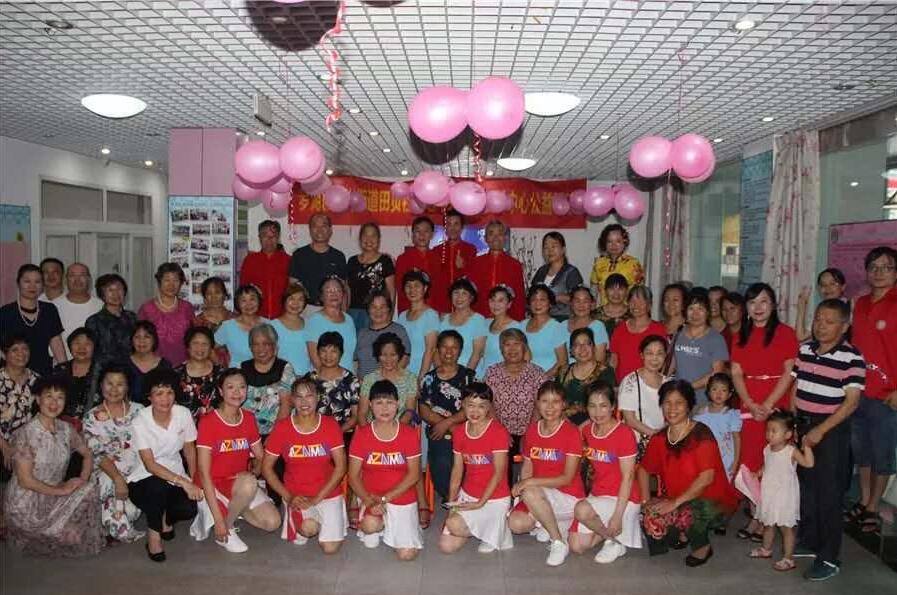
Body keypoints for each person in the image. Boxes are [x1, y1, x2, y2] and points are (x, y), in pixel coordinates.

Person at [792, 298, 864, 580]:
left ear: (844, 327)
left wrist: (821, 430)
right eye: (818, 319)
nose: (821, 326)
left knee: (829, 494)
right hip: (803, 425)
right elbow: (796, 385)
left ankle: (829, 558)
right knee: (807, 489)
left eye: (829, 321)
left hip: (831, 430)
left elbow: (851, 403)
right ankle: (810, 540)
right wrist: (793, 422)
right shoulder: (805, 349)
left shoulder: (852, 357)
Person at [637, 380, 739, 566]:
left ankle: (702, 547)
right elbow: (643, 469)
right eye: (667, 402)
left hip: (712, 498)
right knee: (651, 515)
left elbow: (706, 478)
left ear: (689, 406)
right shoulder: (660, 437)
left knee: (687, 514)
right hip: (678, 497)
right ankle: (680, 534)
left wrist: (674, 503)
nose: (672, 408)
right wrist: (645, 502)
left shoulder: (701, 434)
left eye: (679, 403)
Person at [3, 375, 104, 557]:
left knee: (90, 487)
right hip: (26, 503)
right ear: (37, 399)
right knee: (66, 537)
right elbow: (25, 481)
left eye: (60, 397)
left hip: (55, 493)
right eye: (48, 396)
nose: (54, 403)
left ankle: (57, 529)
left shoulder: (66, 428)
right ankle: (42, 531)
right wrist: (61, 490)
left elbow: (87, 454)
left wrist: (81, 480)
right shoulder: (25, 434)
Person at [192, 368, 280, 553]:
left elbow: (261, 457)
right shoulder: (208, 422)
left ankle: (234, 509)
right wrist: (219, 520)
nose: (237, 392)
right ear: (221, 391)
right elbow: (204, 474)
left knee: (272, 522)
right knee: (248, 482)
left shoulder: (248, 418)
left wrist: (262, 478)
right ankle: (225, 526)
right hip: (213, 484)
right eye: (230, 387)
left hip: (238, 483)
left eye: (242, 387)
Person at [262, 376, 348, 554]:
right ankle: (308, 521)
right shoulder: (282, 427)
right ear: (292, 400)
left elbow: (341, 467)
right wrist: (288, 496)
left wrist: (317, 499)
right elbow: (266, 468)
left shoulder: (330, 425)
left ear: (318, 397)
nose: (304, 402)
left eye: (309, 396)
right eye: (299, 397)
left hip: (327, 493)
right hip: (297, 495)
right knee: (308, 529)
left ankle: (327, 518)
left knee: (330, 549)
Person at [127, 368, 202, 562]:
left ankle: (164, 518)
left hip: (175, 471)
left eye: (169, 392)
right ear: (149, 396)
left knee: (190, 508)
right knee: (157, 487)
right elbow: (150, 465)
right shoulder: (140, 421)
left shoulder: (183, 413)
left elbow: (189, 449)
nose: (165, 399)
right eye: (158, 393)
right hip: (143, 478)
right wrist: (183, 483)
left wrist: (194, 479)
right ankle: (153, 536)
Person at [508, 381, 586, 566]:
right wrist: (523, 489)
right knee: (516, 524)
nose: (550, 407)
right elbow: (528, 465)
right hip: (540, 493)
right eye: (544, 401)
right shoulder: (532, 430)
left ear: (564, 404)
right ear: (537, 403)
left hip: (568, 496)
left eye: (556, 402)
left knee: (530, 491)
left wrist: (527, 484)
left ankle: (558, 541)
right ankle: (549, 521)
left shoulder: (571, 433)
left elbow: (567, 478)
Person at [848, 246, 897, 535]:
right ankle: (864, 499)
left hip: (886, 396)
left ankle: (874, 507)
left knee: (881, 453)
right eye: (873, 267)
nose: (879, 273)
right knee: (861, 451)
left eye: (886, 267)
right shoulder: (861, 304)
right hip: (858, 392)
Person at [569, 381, 643, 563]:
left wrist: (617, 517)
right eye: (592, 406)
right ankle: (611, 537)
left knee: (581, 509)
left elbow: (628, 478)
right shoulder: (587, 430)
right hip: (599, 495)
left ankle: (614, 538)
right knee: (577, 546)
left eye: (603, 406)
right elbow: (569, 438)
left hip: (623, 498)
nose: (598, 412)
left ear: (613, 406)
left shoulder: (624, 433)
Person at [348, 379, 423, 559]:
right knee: (369, 527)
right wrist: (369, 501)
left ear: (397, 404)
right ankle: (380, 525)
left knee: (407, 555)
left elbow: (414, 474)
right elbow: (353, 476)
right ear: (370, 405)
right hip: (371, 497)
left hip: (401, 496)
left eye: (389, 402)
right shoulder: (362, 435)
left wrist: (385, 498)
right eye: (379, 403)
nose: (384, 408)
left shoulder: (408, 434)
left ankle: (405, 525)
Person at [730, 283, 799, 477]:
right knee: (749, 456)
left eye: (764, 301)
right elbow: (736, 373)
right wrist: (750, 403)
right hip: (749, 400)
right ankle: (751, 497)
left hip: (778, 399)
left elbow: (789, 372)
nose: (758, 307)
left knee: (776, 456)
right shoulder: (739, 336)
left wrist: (768, 404)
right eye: (752, 302)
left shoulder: (786, 333)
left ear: (773, 305)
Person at [438, 383, 514, 554]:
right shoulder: (459, 432)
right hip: (468, 495)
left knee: (455, 525)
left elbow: (498, 473)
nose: (475, 411)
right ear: (462, 404)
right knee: (446, 545)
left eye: (482, 406)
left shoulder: (498, 432)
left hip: (494, 498)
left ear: (489, 408)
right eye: (470, 405)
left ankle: (499, 530)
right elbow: (457, 471)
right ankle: (490, 529)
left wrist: (481, 503)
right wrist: (452, 505)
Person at [83, 364, 145, 543]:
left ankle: (114, 517)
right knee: (107, 480)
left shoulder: (140, 410)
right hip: (107, 469)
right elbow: (97, 454)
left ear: (127, 387)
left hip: (138, 467)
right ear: (101, 385)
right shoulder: (91, 417)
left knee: (130, 511)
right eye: (109, 383)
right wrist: (118, 478)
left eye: (120, 384)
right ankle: (120, 529)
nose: (114, 389)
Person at [750, 410, 815, 572]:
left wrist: (807, 446)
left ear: (787, 434)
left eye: (774, 431)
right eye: (768, 430)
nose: (769, 434)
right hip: (769, 493)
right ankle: (766, 549)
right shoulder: (767, 449)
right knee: (768, 523)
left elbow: (808, 463)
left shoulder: (791, 451)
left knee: (787, 527)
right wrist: (758, 473)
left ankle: (788, 558)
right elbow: (767, 465)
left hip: (785, 495)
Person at [419, 330, 476, 499]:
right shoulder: (429, 378)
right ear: (437, 349)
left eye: (454, 347)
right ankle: (451, 497)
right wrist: (446, 426)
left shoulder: (468, 377)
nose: (449, 351)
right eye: (444, 347)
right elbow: (424, 410)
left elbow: (473, 407)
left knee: (471, 466)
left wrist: (447, 423)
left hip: (466, 432)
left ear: (460, 351)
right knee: (442, 464)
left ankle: (466, 496)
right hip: (439, 433)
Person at [483, 328, 545, 474]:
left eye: (516, 344)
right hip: (498, 430)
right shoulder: (492, 372)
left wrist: (528, 434)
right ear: (501, 349)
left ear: (524, 347)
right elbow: (487, 404)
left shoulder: (537, 373)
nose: (512, 349)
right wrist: (501, 432)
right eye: (507, 344)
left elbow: (540, 406)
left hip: (531, 430)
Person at [0, 264, 65, 375]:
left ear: (42, 285)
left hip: (43, 373)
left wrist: (65, 370)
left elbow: (56, 344)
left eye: (37, 282)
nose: (32, 286)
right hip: (13, 373)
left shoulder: (49, 310)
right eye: (27, 281)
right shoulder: (5, 312)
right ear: (18, 283)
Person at [670, 291, 729, 407]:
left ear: (707, 312)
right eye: (691, 308)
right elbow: (671, 364)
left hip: (704, 402)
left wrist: (688, 388)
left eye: (700, 309)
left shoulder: (716, 338)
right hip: (678, 400)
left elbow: (716, 373)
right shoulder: (678, 333)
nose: (695, 314)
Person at [619, 335, 670, 458]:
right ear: (642, 355)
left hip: (662, 443)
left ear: (665, 356)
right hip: (635, 445)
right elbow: (629, 419)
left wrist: (661, 436)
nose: (655, 358)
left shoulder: (668, 383)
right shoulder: (630, 381)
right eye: (649, 353)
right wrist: (654, 435)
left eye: (659, 353)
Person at [241, 323, 294, 438]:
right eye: (256, 344)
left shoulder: (285, 368)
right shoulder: (243, 368)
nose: (261, 349)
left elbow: (286, 405)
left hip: (276, 432)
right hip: (245, 432)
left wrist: (274, 437)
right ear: (250, 347)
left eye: (266, 344)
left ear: (274, 346)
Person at [289, 214, 347, 316]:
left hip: (333, 309)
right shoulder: (299, 255)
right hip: (306, 309)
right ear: (310, 230)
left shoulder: (338, 256)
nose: (319, 230)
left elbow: (343, 288)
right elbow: (293, 284)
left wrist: (343, 313)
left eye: (324, 226)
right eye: (315, 226)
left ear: (330, 230)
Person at [137, 262, 194, 366]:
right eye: (167, 280)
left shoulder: (187, 308)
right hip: (153, 366)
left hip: (183, 365)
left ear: (181, 283)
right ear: (159, 282)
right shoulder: (146, 309)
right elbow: (139, 341)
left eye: (175, 280)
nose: (171, 285)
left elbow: (193, 339)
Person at [557, 327, 616, 425]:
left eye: (587, 343)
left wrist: (582, 428)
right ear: (571, 350)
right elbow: (556, 402)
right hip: (564, 423)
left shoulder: (605, 372)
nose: (582, 348)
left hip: (595, 423)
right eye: (577, 345)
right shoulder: (563, 372)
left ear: (594, 347)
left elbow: (607, 405)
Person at [469, 220, 526, 321]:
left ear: (505, 237)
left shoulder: (515, 265)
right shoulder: (475, 263)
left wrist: (519, 322)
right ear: (485, 238)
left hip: (506, 320)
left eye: (499, 233)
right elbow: (470, 294)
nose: (495, 237)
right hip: (479, 318)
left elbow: (519, 297)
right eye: (491, 233)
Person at [609, 285, 666, 383]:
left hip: (649, 385)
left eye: (641, 302)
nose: (636, 306)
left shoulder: (658, 329)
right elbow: (614, 360)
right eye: (632, 301)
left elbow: (664, 361)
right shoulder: (620, 329)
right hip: (623, 385)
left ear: (649, 305)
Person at [310, 332, 360, 441]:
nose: (328, 356)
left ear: (341, 353)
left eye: (333, 351)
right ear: (318, 352)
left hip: (343, 436)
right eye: (324, 351)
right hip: (314, 436)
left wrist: (336, 434)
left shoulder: (351, 380)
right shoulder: (309, 380)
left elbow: (356, 416)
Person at [358, 333, 417, 425]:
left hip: (400, 427)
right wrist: (370, 432)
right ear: (378, 356)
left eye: (393, 354)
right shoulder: (369, 379)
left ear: (399, 355)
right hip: (372, 428)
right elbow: (362, 413)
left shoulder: (410, 378)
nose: (388, 359)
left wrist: (394, 430)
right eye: (384, 355)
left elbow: (409, 411)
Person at [692, 373, 742, 483]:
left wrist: (735, 462)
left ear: (729, 394)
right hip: (706, 462)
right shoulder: (700, 415)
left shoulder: (732, 415)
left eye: (723, 390)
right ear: (708, 392)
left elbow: (737, 439)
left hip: (726, 461)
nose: (718, 393)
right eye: (714, 389)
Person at [347, 222, 396, 330]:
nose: (369, 239)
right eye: (365, 235)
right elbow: (348, 290)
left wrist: (389, 316)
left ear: (379, 239)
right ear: (360, 239)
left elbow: (391, 292)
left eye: (373, 235)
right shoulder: (352, 261)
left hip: (377, 313)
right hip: (353, 313)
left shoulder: (385, 261)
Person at [1, 334, 38, 475]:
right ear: (4, 354)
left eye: (25, 349)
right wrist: (3, 444)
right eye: (15, 349)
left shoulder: (37, 380)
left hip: (27, 443)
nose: (21, 353)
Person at [239, 220, 291, 319]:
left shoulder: (288, 260)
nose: (269, 239)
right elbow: (243, 290)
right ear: (259, 238)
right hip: (256, 317)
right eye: (265, 236)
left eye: (273, 236)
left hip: (282, 317)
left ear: (278, 238)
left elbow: (292, 291)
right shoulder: (250, 260)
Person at [429, 209, 477, 315]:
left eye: (456, 224)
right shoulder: (436, 251)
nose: (452, 228)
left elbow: (474, 279)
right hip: (441, 306)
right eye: (449, 224)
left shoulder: (470, 249)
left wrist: (462, 267)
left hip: (463, 306)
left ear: (462, 227)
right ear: (445, 227)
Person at [354, 291, 410, 379]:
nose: (378, 311)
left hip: (389, 384)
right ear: (368, 310)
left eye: (382, 307)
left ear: (388, 309)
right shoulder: (361, 333)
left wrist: (386, 381)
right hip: (363, 384)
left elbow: (405, 359)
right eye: (374, 307)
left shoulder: (398, 330)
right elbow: (357, 363)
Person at [85, 273, 137, 367]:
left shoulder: (132, 317)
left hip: (131, 369)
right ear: (102, 295)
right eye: (110, 290)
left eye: (119, 289)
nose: (115, 294)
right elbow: (91, 352)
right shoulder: (94, 321)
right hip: (104, 370)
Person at [438, 277, 487, 377]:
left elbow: (477, 354)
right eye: (456, 293)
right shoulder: (443, 320)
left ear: (471, 297)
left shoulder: (478, 320)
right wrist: (442, 374)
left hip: (468, 375)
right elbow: (436, 350)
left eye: (464, 293)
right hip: (445, 374)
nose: (459, 297)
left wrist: (462, 378)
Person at [306, 276, 357, 371]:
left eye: (338, 290)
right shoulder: (315, 320)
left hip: (348, 376)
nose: (334, 294)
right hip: (324, 376)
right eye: (329, 290)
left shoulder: (349, 319)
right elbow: (315, 358)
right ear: (321, 296)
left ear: (343, 295)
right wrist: (331, 377)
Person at [51, 262, 102, 358]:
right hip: (61, 364)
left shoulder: (101, 306)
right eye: (72, 275)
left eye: (82, 275)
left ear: (89, 279)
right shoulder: (52, 307)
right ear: (65, 280)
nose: (77, 280)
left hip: (95, 364)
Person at [530, 231, 583, 321]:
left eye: (554, 246)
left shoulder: (571, 272)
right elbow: (532, 295)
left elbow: (579, 299)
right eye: (546, 247)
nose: (550, 250)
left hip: (564, 320)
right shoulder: (541, 271)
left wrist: (556, 298)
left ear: (563, 250)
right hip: (540, 319)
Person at [52, 327, 100, 425]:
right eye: (77, 343)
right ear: (70, 346)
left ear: (94, 347)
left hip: (95, 425)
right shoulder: (59, 371)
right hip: (62, 425)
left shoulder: (102, 372)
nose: (81, 348)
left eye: (87, 344)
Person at [396, 270, 438, 380]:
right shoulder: (402, 316)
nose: (412, 290)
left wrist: (421, 378)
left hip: (422, 374)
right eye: (408, 286)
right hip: (404, 374)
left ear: (425, 288)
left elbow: (430, 350)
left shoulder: (430, 315)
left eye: (417, 286)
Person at [589, 224, 644, 306]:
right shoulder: (598, 263)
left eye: (618, 241)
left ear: (624, 242)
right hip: (604, 309)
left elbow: (639, 291)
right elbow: (594, 289)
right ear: (604, 243)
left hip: (627, 310)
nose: (613, 245)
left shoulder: (633, 263)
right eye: (609, 241)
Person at [174, 327, 222, 421]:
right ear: (188, 346)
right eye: (195, 343)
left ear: (211, 348)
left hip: (216, 426)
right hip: (184, 427)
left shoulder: (220, 373)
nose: (200, 348)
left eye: (204, 344)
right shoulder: (176, 374)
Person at [395, 216, 438, 314]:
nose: (422, 235)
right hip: (410, 312)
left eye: (426, 231)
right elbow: (400, 289)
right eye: (418, 231)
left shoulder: (437, 258)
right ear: (412, 234)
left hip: (433, 311)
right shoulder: (403, 259)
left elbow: (439, 289)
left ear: (432, 235)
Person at [214, 284, 266, 368]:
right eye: (243, 300)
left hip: (264, 373)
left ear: (259, 301)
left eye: (252, 299)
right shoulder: (228, 327)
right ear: (237, 304)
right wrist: (220, 364)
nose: (249, 304)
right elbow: (208, 347)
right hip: (238, 374)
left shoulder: (269, 324)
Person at [523, 285, 568, 378]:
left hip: (548, 381)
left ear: (550, 303)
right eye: (534, 299)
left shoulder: (556, 327)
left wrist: (541, 380)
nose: (537, 303)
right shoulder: (521, 325)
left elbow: (562, 362)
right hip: (524, 379)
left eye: (542, 300)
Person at [270, 283, 312, 377]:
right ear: (284, 300)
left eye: (300, 299)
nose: (295, 303)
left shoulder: (310, 325)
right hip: (281, 379)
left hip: (306, 379)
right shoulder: (272, 326)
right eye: (291, 298)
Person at [127, 321, 172, 406]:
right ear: (131, 340)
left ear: (154, 340)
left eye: (147, 337)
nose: (141, 341)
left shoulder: (165, 366)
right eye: (137, 337)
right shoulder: (123, 365)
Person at [795, 268, 846, 341]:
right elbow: (801, 336)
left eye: (832, 284)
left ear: (843, 287)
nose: (827, 288)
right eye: (823, 285)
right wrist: (802, 306)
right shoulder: (821, 310)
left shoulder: (849, 308)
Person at [192, 276, 234, 364]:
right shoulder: (198, 322)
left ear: (224, 294)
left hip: (235, 367)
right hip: (205, 367)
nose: (214, 297)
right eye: (209, 293)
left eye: (217, 292)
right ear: (204, 297)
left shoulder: (235, 319)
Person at [482, 285, 522, 373]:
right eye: (492, 300)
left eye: (500, 300)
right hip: (482, 375)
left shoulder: (516, 327)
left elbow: (525, 356)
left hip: (503, 377)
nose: (495, 305)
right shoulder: (485, 323)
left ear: (509, 304)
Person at [566, 285, 609, 364]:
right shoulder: (562, 326)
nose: (581, 305)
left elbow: (599, 361)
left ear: (592, 304)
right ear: (571, 304)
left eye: (585, 301)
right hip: (564, 370)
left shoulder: (598, 327)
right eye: (577, 301)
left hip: (590, 370)